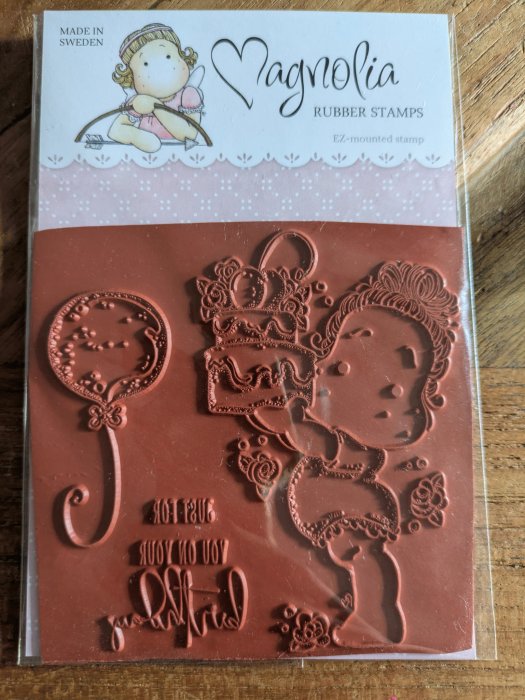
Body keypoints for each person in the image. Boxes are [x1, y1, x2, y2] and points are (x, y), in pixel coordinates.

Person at [109, 23, 203, 152]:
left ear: (182, 57)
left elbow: (190, 134)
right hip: (145, 157)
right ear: (131, 77)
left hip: (182, 153)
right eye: (145, 64)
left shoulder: (188, 95)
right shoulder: (140, 101)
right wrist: (137, 137)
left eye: (168, 56)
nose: (159, 69)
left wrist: (155, 106)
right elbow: (115, 131)